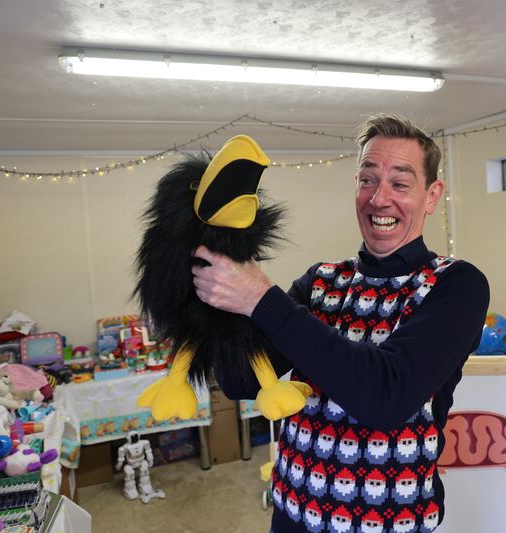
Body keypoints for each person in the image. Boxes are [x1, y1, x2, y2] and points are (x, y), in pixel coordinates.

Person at [192, 113, 489, 533]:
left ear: (432, 194)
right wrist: (216, 296)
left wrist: (260, 298)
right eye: (368, 180)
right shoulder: (320, 282)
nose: (379, 198)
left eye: (400, 184)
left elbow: (386, 396)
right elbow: (241, 380)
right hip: (293, 515)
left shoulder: (456, 285)